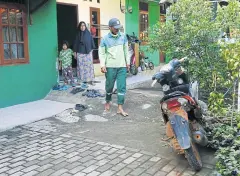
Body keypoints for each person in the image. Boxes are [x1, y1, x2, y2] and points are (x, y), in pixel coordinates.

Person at [99, 18, 130, 117]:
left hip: (122, 66)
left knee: (121, 87)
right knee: (109, 86)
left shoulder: (123, 37)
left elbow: (126, 50)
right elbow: (102, 53)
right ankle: (108, 101)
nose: (117, 29)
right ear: (110, 27)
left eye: (118, 27)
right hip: (110, 67)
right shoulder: (104, 39)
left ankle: (120, 107)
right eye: (115, 28)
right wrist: (102, 65)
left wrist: (127, 63)